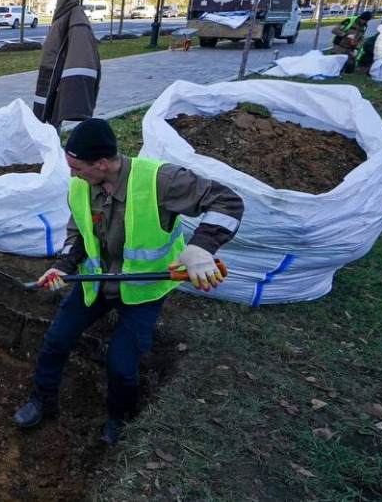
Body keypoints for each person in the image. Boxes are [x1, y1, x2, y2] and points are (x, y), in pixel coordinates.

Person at [13, 118, 244, 445]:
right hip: (96, 283)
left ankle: (119, 418)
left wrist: (201, 248)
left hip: (142, 290)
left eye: (77, 167)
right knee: (56, 340)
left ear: (103, 164)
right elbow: (77, 233)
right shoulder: (81, 185)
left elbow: (228, 203)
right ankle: (43, 400)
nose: (72, 174)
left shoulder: (160, 181)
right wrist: (64, 265)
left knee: (121, 365)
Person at [33, 0, 101, 130]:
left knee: (49, 109)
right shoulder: (66, 17)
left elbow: (74, 58)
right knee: (49, 111)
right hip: (54, 73)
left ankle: (52, 130)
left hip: (56, 74)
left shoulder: (73, 19)